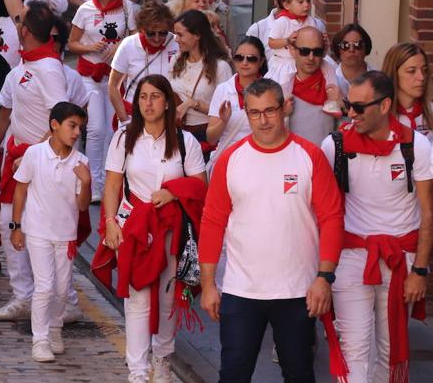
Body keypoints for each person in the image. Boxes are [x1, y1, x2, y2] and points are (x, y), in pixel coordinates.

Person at [199, 78, 343, 383]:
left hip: (297, 290)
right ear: (246, 113)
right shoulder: (230, 159)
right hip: (240, 290)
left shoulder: (310, 156)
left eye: (269, 111)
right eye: (254, 113)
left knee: (299, 374)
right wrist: (209, 284)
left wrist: (324, 277)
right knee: (234, 374)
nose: (263, 120)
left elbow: (331, 218)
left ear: (284, 108)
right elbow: (212, 222)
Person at [320, 71, 432, 383]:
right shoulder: (335, 146)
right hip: (351, 255)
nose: (351, 114)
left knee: (390, 349)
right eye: (348, 106)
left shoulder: (416, 147)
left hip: (401, 259)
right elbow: (323, 210)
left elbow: (428, 213)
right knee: (354, 347)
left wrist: (420, 271)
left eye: (358, 107)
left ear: (384, 107)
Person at [102, 75, 207, 383]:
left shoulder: (185, 141)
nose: (148, 103)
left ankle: (162, 359)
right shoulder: (124, 137)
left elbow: (201, 186)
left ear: (167, 102)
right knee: (136, 298)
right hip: (134, 227)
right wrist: (110, 222)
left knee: (167, 296)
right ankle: (137, 371)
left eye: (155, 96)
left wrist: (173, 192)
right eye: (143, 96)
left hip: (172, 230)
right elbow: (111, 184)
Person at [0, 1, 68, 321]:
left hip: (42, 162)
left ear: (24, 31)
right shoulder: (19, 69)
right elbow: (4, 115)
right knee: (11, 226)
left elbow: (61, 119)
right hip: (14, 160)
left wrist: (36, 154)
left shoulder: (49, 69)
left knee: (46, 234)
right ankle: (24, 295)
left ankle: (64, 300)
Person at [10, 101, 91, 362]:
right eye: (72, 125)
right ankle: (40, 339)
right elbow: (20, 189)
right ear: (54, 125)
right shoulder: (35, 154)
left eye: (80, 127)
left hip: (65, 234)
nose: (76, 132)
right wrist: (16, 226)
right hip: (37, 231)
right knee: (44, 286)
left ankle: (55, 328)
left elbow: (82, 205)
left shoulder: (82, 162)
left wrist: (86, 181)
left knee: (61, 287)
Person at [67, 0, 137, 201]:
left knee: (112, 129)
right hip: (89, 75)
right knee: (95, 129)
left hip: (116, 77)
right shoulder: (85, 10)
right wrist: (90, 47)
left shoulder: (127, 8)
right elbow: (72, 44)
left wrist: (121, 45)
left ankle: (111, 182)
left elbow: (136, 39)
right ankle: (95, 183)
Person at [107, 1, 179, 127]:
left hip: (165, 115)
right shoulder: (128, 45)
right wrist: (124, 119)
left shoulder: (176, 43)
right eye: (151, 33)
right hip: (133, 114)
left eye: (162, 33)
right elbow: (113, 86)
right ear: (141, 29)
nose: (157, 38)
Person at [169, 9, 232, 144]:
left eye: (180, 35)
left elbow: (227, 111)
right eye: (175, 34)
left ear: (196, 35)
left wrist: (193, 104)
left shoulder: (221, 67)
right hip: (176, 132)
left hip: (204, 135)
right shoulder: (175, 60)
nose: (176, 39)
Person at [269, 26, 342, 143]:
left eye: (317, 52)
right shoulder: (276, 81)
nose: (311, 58)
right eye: (304, 51)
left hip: (323, 157)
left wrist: (344, 106)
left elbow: (347, 126)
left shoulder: (335, 81)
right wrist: (281, 114)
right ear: (292, 49)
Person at [206, 36, 266, 168]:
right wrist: (223, 121)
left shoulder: (269, 91)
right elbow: (211, 139)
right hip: (228, 161)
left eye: (251, 59)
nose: (244, 62)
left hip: (259, 161)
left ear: (261, 62)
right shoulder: (223, 89)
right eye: (239, 57)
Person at [266, 0, 324, 68]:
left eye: (308, 0)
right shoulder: (282, 22)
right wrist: (287, 41)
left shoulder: (311, 21)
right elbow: (271, 43)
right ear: (286, 5)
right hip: (284, 64)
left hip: (306, 63)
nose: (306, 5)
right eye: (301, 2)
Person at [383, 42, 433, 142]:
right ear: (394, 73)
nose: (421, 77)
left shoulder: (430, 111)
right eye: (411, 71)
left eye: (424, 70)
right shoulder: (378, 116)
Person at [329, 23, 374, 98]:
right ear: (338, 49)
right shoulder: (330, 80)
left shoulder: (379, 80)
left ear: (366, 48)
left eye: (357, 45)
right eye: (345, 45)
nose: (351, 50)